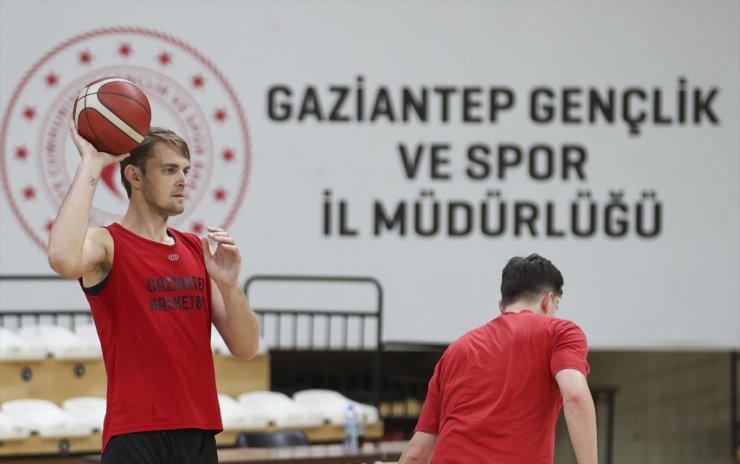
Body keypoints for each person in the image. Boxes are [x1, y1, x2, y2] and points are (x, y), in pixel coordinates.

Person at [48, 120, 260, 463]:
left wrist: (230, 285)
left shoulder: (197, 250)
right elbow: (62, 257)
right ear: (135, 176)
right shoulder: (108, 244)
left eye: (186, 170)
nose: (183, 181)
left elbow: (247, 347)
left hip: (198, 431)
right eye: (169, 170)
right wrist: (90, 163)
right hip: (136, 435)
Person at [399, 254, 597, 464]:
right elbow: (575, 394)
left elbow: (416, 454)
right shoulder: (559, 333)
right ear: (548, 302)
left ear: (502, 305)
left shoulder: (456, 350)